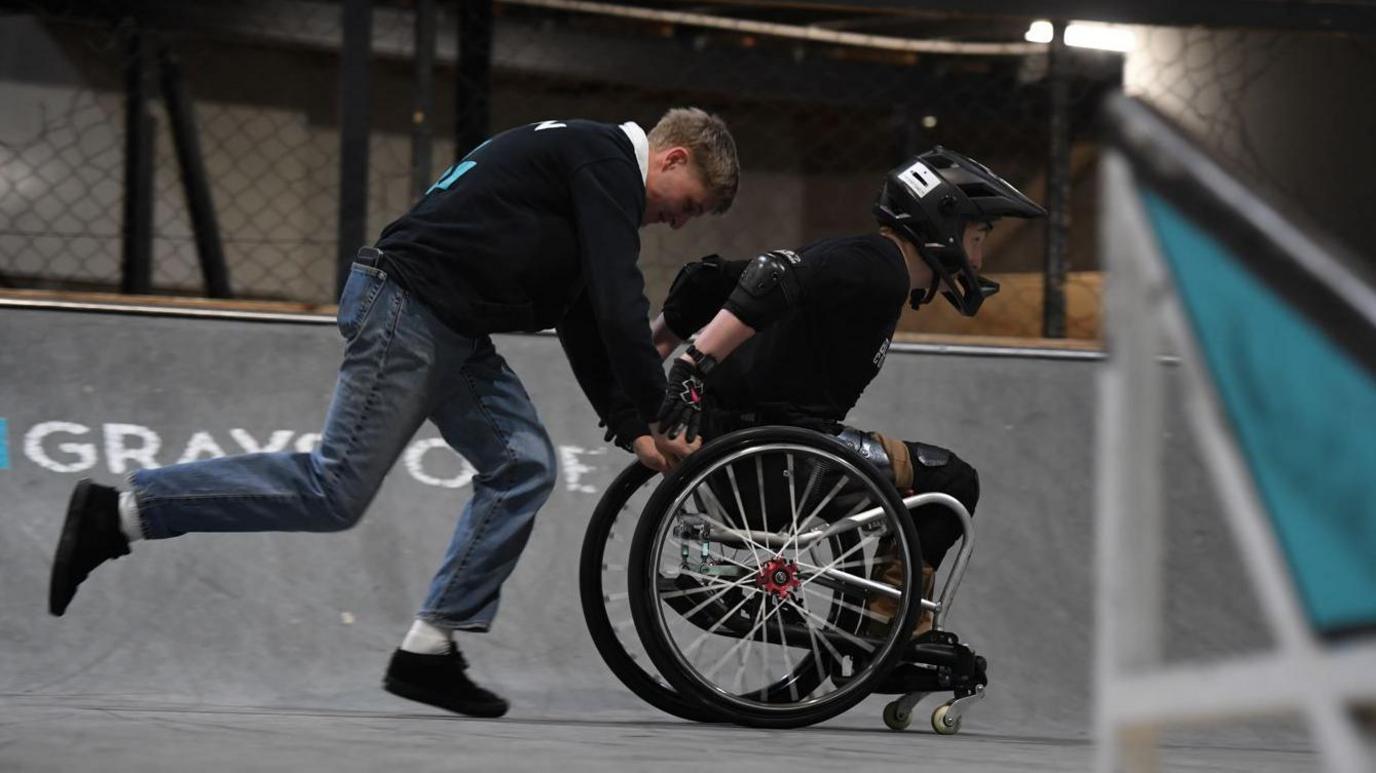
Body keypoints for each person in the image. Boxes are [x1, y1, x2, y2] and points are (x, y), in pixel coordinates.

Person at [48, 108, 740, 718]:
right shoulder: (604, 160)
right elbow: (620, 300)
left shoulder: (586, 170)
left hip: (450, 328)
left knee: (522, 464)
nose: (678, 221)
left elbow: (589, 316)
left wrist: (631, 426)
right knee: (334, 489)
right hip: (407, 307)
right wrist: (661, 409)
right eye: (688, 204)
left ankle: (427, 648)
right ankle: (121, 511)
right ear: (672, 156)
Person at [639, 146, 1044, 639]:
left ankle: (871, 618)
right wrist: (688, 368)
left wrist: (644, 377)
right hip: (783, 453)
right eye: (977, 237)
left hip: (748, 447)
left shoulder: (867, 267)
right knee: (950, 480)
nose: (977, 258)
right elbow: (771, 275)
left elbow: (706, 280)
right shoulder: (878, 266)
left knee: (902, 478)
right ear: (946, 226)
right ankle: (887, 627)